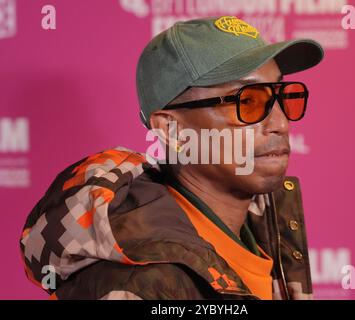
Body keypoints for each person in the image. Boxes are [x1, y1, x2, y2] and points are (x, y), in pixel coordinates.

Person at [20, 16, 324, 300]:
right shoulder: (138, 283)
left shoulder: (266, 240)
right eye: (248, 101)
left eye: (281, 96)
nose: (281, 123)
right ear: (172, 129)